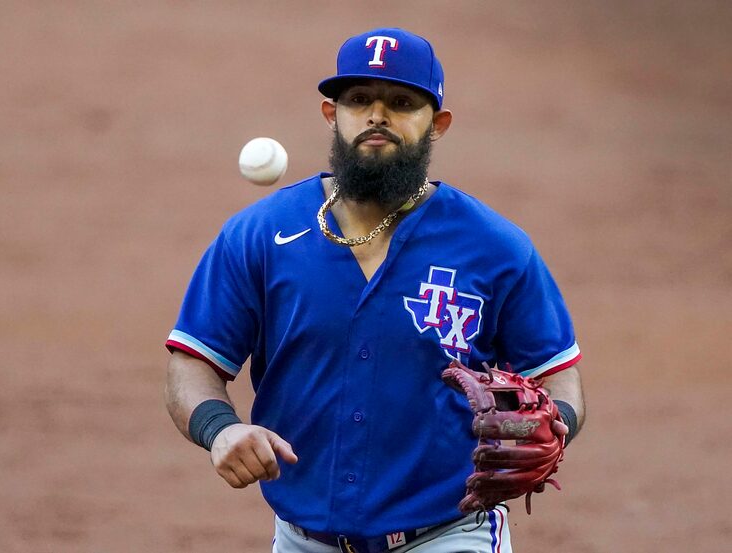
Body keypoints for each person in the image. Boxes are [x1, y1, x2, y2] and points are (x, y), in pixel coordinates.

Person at [164, 27, 586, 553]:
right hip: (303, 540)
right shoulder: (261, 235)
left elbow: (557, 374)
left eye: (402, 102)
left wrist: (555, 424)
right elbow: (193, 362)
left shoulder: (496, 247)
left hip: (450, 535)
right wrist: (219, 429)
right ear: (331, 114)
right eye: (359, 99)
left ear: (438, 124)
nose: (377, 115)